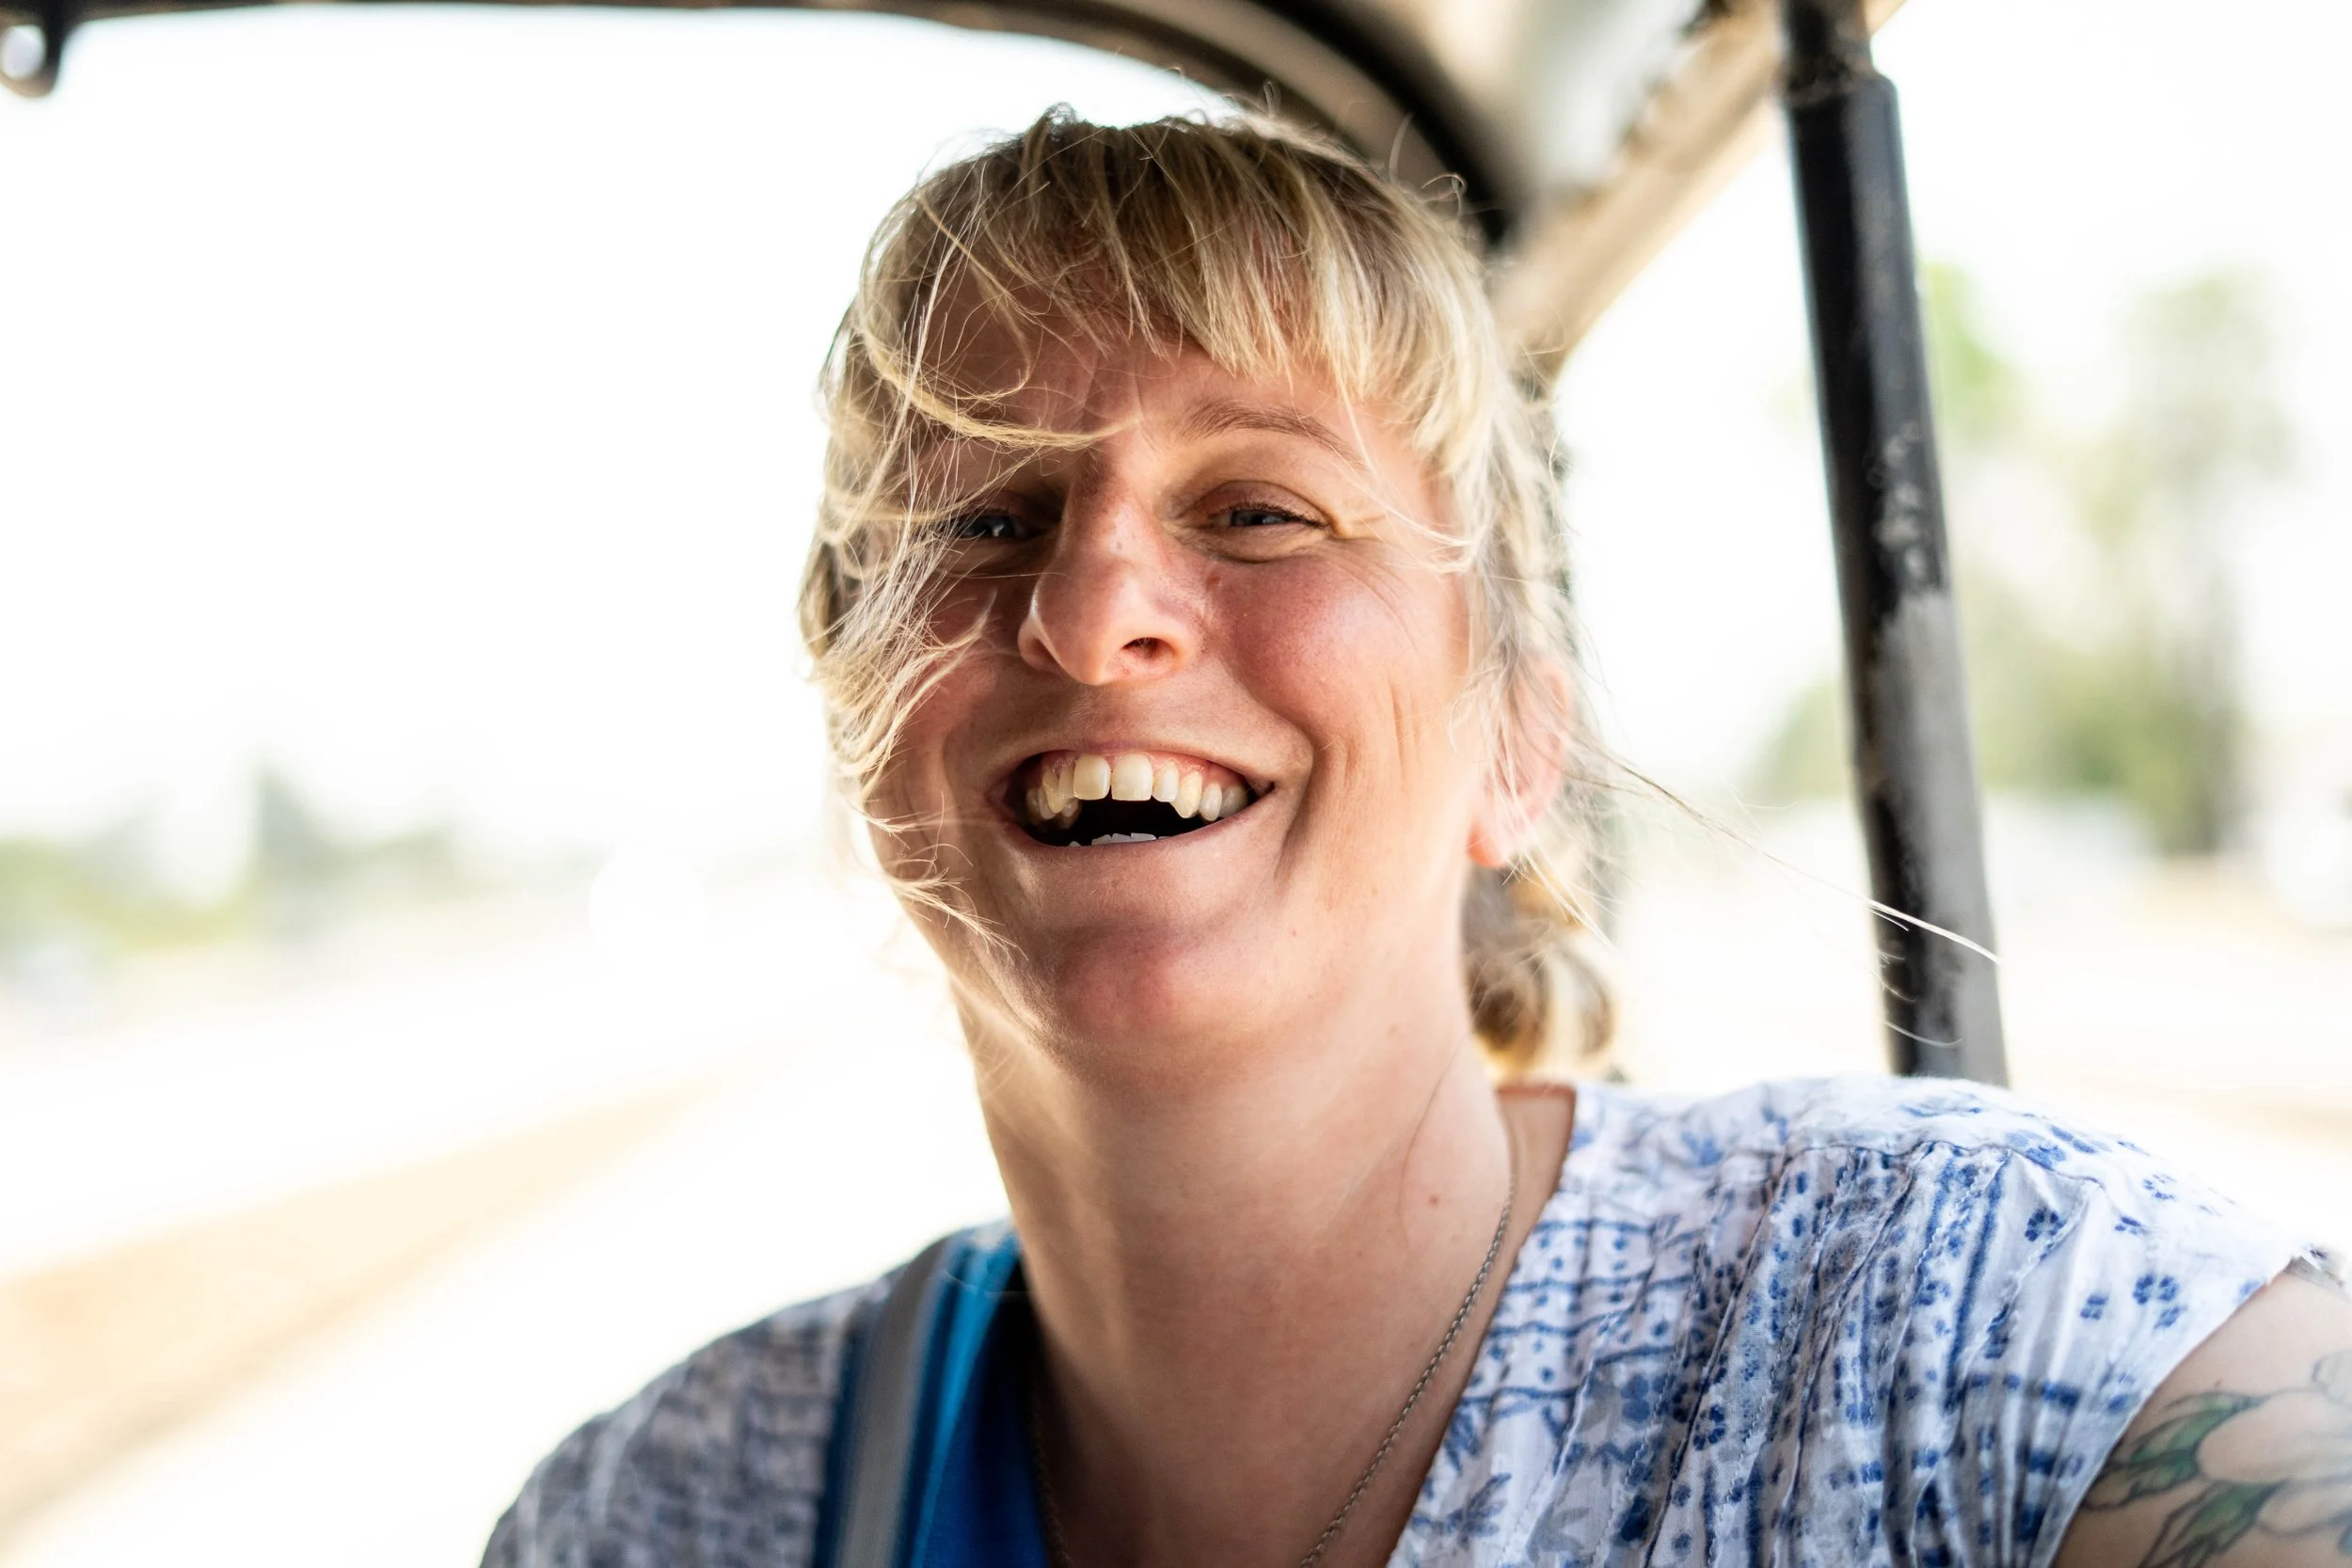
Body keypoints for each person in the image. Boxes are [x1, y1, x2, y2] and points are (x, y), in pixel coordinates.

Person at [483, 110, 2350, 1568]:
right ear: (859, 713)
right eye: (979, 518)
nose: (1094, 604)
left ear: (1515, 735)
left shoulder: (1964, 1309)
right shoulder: (666, 1508)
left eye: (1261, 506)